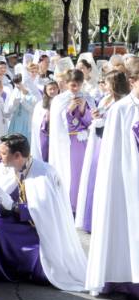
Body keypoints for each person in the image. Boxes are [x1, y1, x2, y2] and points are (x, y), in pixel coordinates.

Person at [0, 133, 87, 291]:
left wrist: (13, 206)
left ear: (17, 156)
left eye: (3, 153)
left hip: (40, 229)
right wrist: (3, 206)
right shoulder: (6, 169)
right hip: (19, 221)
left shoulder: (43, 175)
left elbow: (44, 214)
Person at [85, 59, 139, 300]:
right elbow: (113, 154)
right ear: (132, 81)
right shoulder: (121, 110)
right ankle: (124, 280)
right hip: (125, 179)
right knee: (123, 228)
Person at [75, 70, 129, 233]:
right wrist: (96, 116)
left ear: (114, 84)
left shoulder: (123, 101)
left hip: (110, 142)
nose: (104, 85)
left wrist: (103, 121)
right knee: (94, 177)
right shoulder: (106, 98)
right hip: (98, 141)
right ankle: (91, 220)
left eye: (107, 82)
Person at [49, 69, 93, 211]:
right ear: (67, 83)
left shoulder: (87, 97)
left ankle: (82, 203)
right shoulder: (59, 100)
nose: (76, 88)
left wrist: (83, 109)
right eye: (73, 85)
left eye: (79, 85)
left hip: (82, 142)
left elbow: (90, 121)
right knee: (68, 172)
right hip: (66, 143)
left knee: (82, 172)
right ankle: (69, 204)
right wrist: (69, 109)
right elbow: (57, 122)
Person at [30, 81, 59, 161]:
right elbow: (37, 121)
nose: (53, 91)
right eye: (50, 89)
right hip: (44, 134)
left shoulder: (61, 102)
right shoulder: (40, 105)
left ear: (58, 89)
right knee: (44, 155)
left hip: (57, 134)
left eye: (54, 88)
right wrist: (46, 118)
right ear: (46, 90)